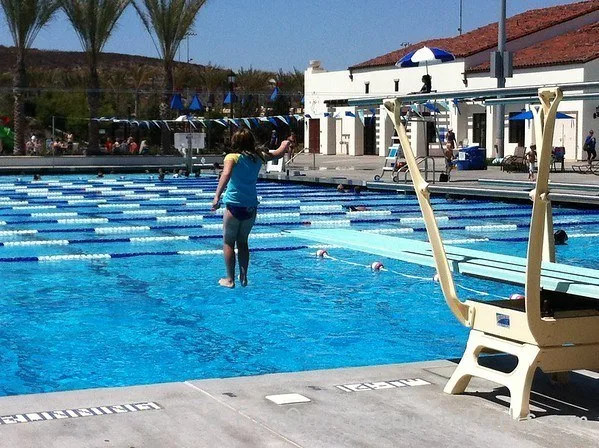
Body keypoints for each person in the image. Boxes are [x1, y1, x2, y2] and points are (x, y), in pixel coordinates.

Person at [211, 128, 294, 288]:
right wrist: (285, 143)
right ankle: (243, 277)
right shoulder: (258, 156)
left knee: (228, 242)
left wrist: (216, 196)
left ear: (235, 142)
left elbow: (226, 173)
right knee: (243, 242)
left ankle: (230, 279)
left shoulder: (232, 157)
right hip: (250, 206)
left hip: (234, 206)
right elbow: (277, 153)